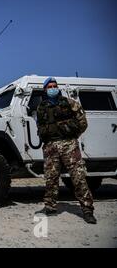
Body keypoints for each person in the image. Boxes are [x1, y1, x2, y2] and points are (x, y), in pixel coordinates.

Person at [36, 77, 96, 224]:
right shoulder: (41, 107)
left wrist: (73, 135)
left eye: (54, 85)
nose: (52, 88)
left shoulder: (69, 103)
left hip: (69, 144)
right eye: (49, 86)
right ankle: (50, 206)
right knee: (51, 178)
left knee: (78, 177)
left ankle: (87, 210)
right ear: (45, 89)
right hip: (50, 146)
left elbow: (82, 121)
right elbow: (40, 126)